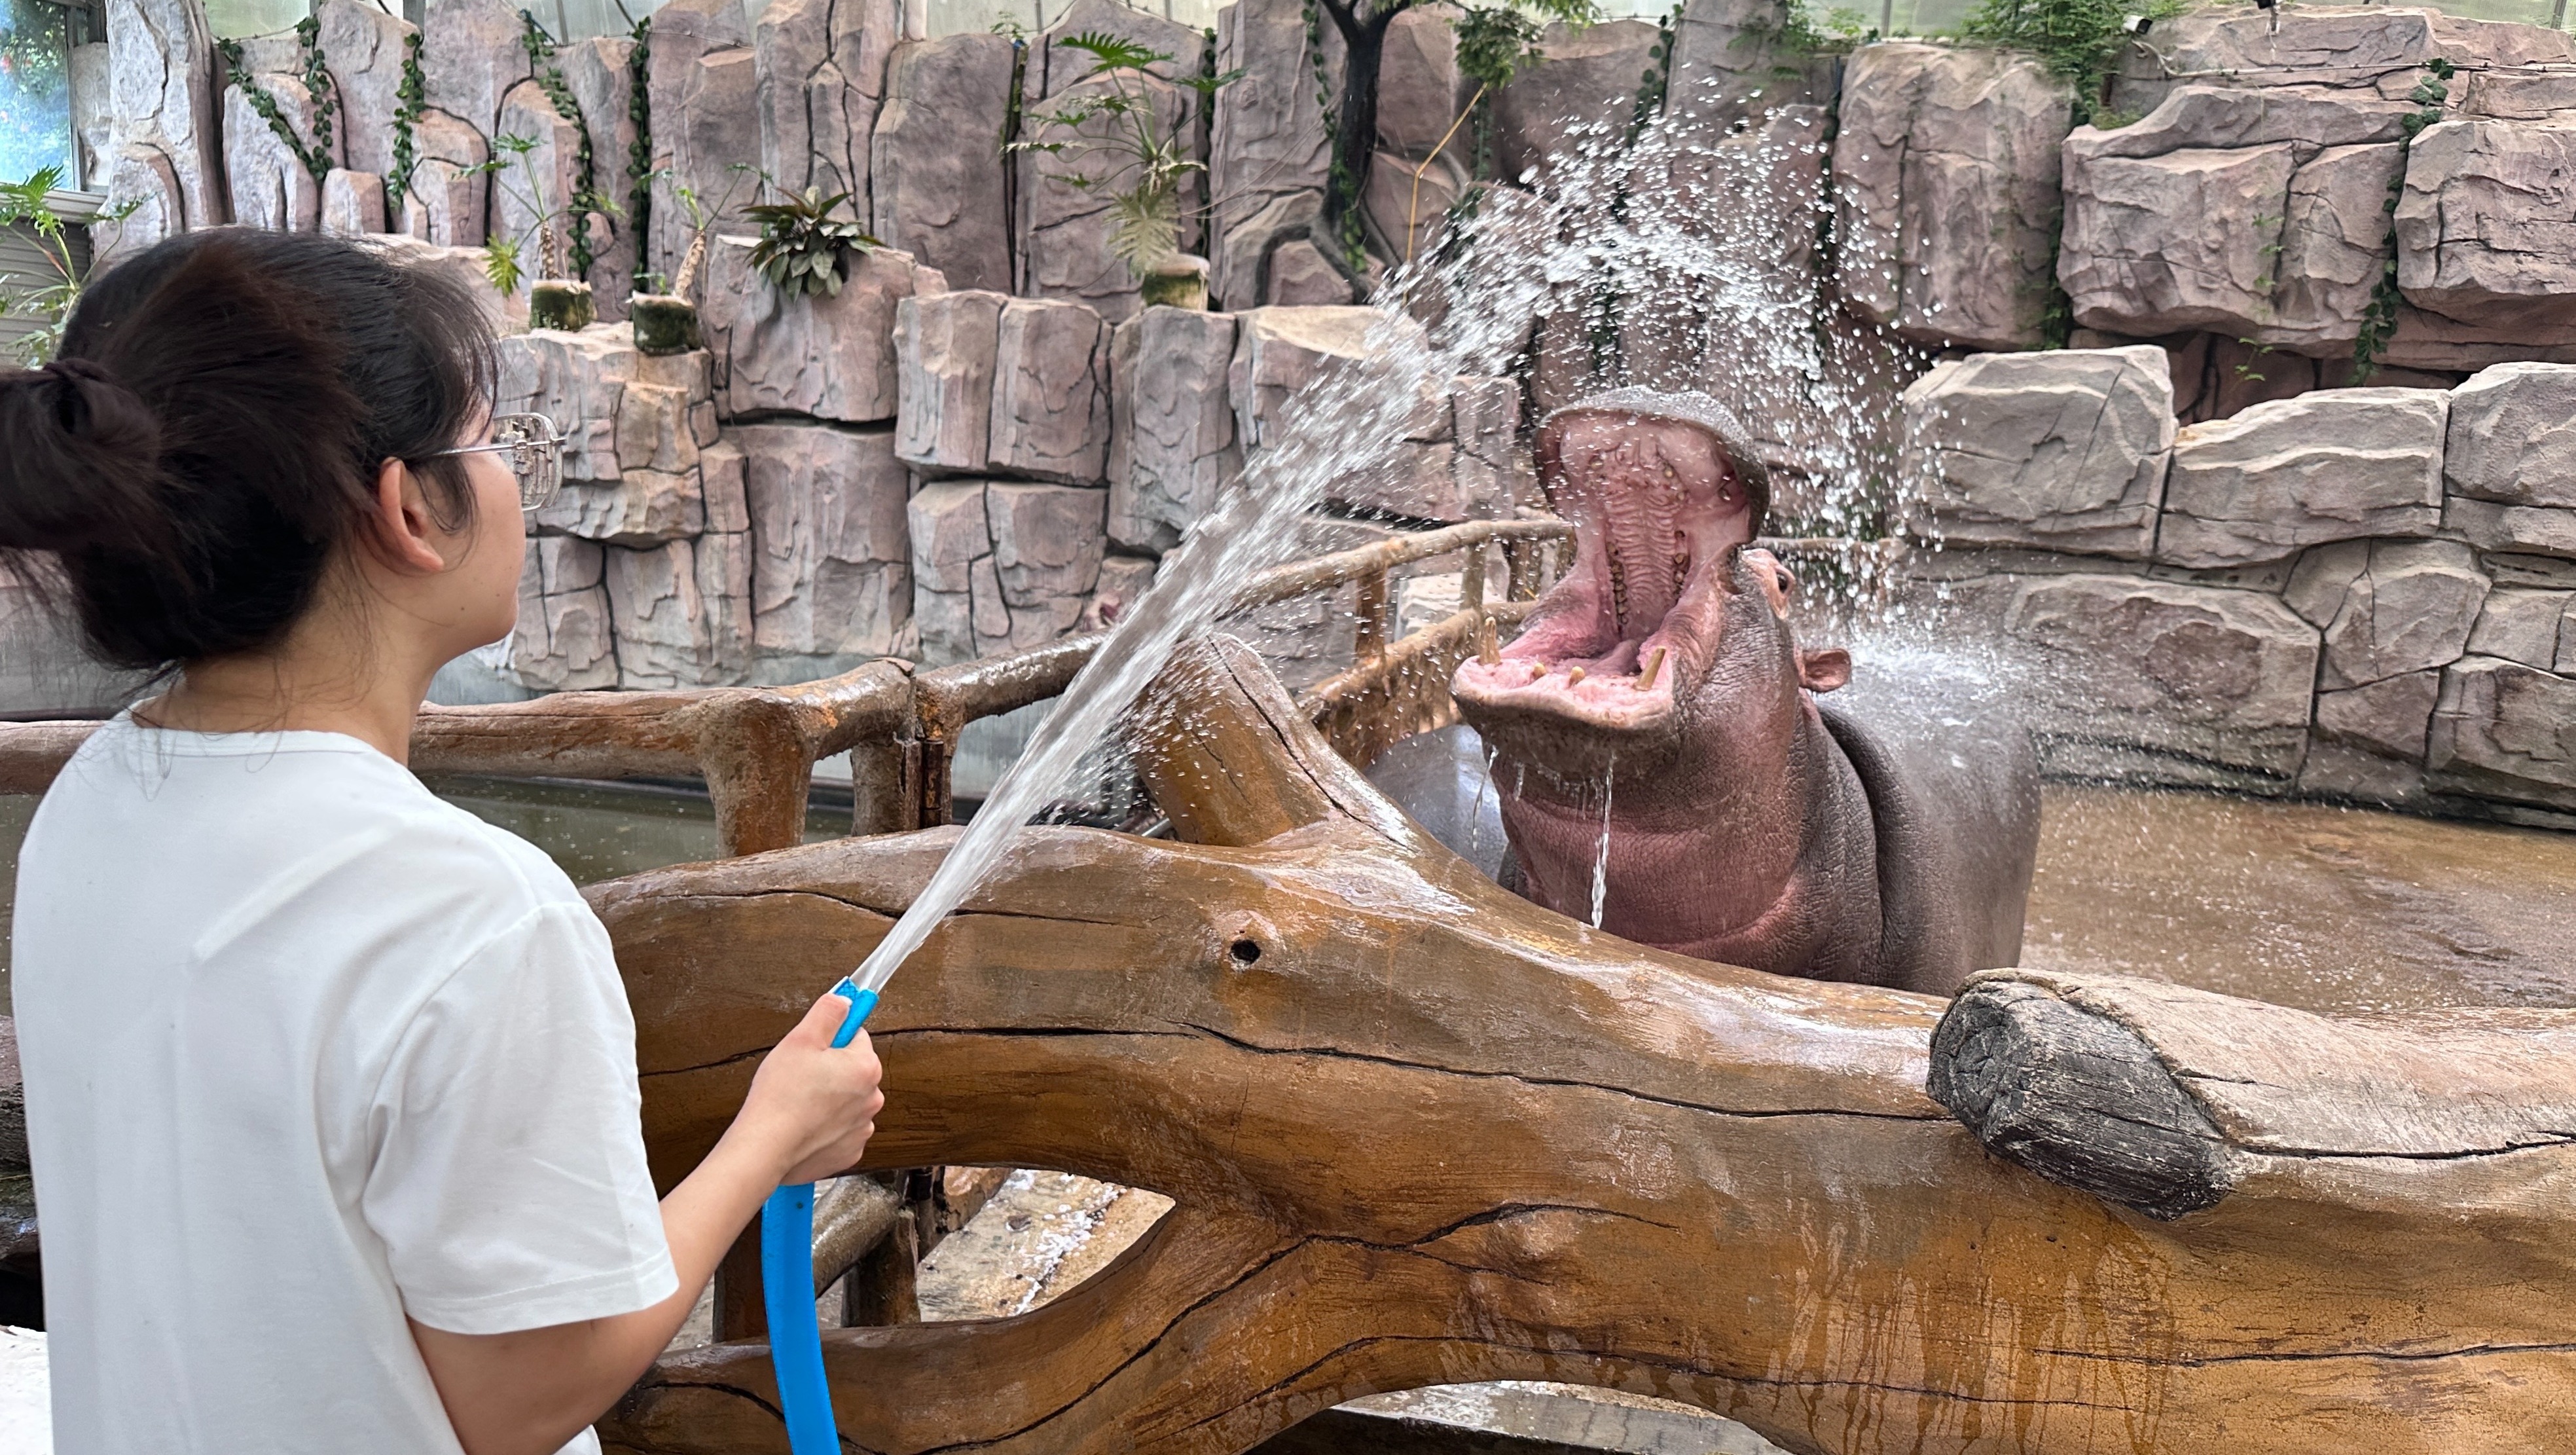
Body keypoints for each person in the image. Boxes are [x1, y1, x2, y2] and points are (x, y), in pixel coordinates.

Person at [0, 227, 883, 1454]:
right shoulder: (471, 913)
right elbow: (522, 1395)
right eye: (496, 442)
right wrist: (773, 1132)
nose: (517, 478)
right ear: (409, 507)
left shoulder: (93, 801)